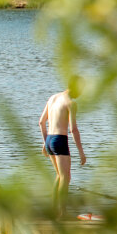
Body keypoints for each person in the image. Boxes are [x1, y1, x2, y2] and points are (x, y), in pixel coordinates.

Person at [39, 76, 87, 218]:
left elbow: (41, 122)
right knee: (66, 178)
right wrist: (81, 152)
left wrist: (45, 142)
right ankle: (62, 213)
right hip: (60, 140)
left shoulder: (53, 98)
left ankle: (54, 211)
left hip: (49, 140)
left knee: (59, 176)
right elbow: (73, 130)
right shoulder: (71, 103)